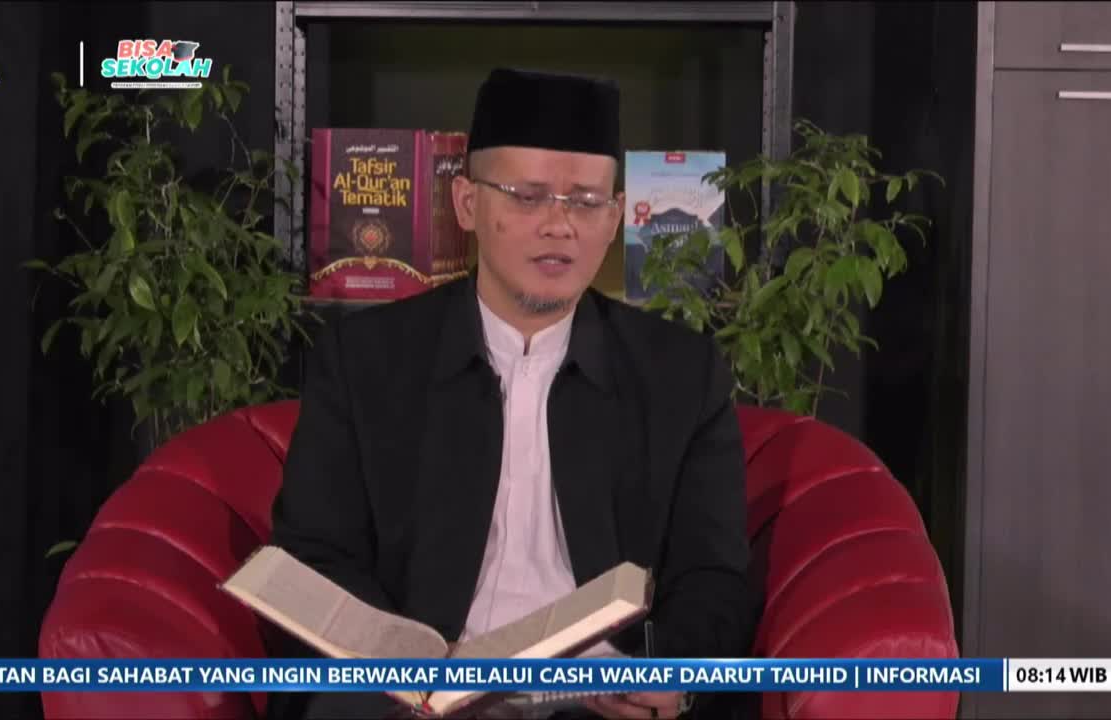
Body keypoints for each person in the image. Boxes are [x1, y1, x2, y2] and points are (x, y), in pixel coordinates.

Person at [271, 68, 758, 719]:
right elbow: (315, 554)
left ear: (616, 218)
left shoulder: (681, 372)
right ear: (468, 204)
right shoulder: (364, 361)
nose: (560, 226)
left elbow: (713, 573)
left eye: (586, 202)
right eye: (528, 197)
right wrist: (397, 667)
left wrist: (670, 671)